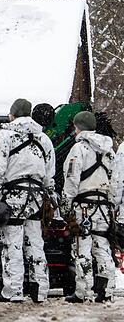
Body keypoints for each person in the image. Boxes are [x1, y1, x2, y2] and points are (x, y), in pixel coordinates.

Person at [0, 99, 55, 304]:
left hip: (14, 194)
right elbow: (49, 173)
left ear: (13, 115)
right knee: (35, 243)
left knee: (12, 244)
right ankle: (40, 289)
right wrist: (49, 195)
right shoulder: (44, 139)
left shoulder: (7, 135)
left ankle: (14, 290)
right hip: (36, 195)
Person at [62, 111, 116, 303]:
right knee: (102, 247)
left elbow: (71, 179)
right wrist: (113, 206)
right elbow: (115, 181)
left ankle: (83, 291)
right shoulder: (109, 151)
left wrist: (66, 207)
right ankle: (106, 290)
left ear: (78, 127)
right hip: (104, 206)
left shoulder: (78, 149)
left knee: (82, 248)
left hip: (83, 206)